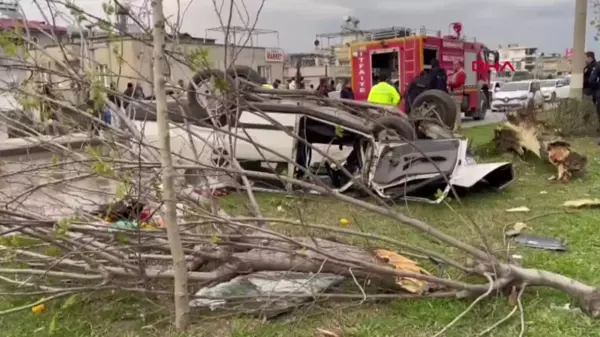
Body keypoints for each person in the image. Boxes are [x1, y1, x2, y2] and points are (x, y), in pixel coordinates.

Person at [448, 60, 466, 130]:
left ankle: (458, 126)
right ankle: (456, 125)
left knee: (457, 111)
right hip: (455, 94)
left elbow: (458, 83)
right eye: (453, 64)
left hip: (457, 95)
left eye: (455, 65)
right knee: (456, 111)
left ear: (459, 65)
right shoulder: (457, 72)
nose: (453, 66)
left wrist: (450, 83)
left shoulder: (461, 73)